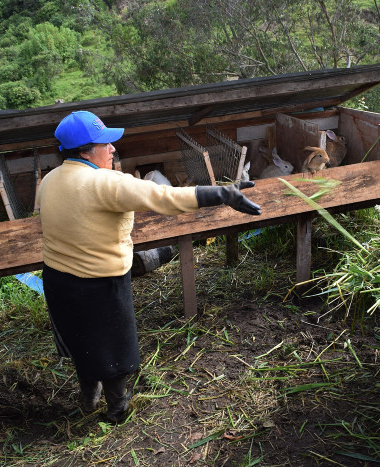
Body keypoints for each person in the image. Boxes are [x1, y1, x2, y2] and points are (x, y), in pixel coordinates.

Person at [37, 110, 261, 422]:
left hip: (58, 280)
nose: (113, 148)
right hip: (99, 283)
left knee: (81, 340)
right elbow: (165, 197)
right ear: (87, 150)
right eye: (106, 143)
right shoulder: (106, 183)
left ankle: (88, 394)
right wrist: (223, 192)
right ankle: (117, 409)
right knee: (113, 348)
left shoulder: (48, 181)